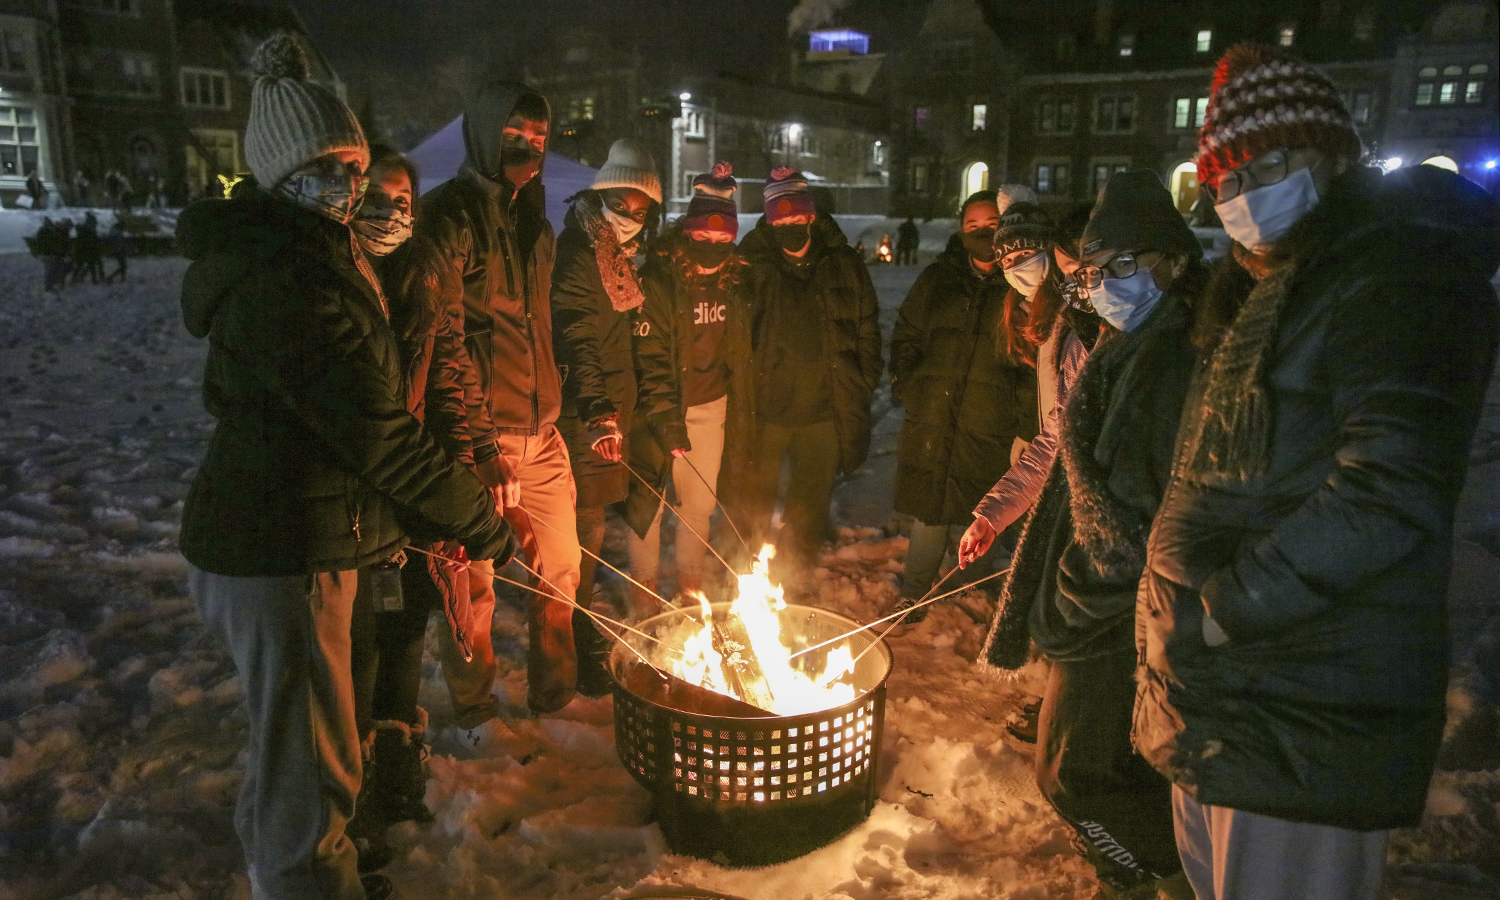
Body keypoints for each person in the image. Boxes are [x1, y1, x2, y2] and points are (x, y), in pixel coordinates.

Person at [1136, 44, 1500, 900]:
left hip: (1308, 700)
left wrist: (1225, 609)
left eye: (1265, 166)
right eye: (1221, 182)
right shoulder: (1272, 286)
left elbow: (1390, 487)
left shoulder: (1394, 271)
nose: (1239, 198)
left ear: (1333, 154)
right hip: (1233, 696)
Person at [174, 34, 514, 900]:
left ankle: (289, 868)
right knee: (312, 770)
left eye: (357, 167)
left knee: (296, 752)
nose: (352, 187)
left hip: (303, 533)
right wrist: (476, 518)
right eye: (330, 168)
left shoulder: (317, 253)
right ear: (282, 173)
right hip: (283, 550)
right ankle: (303, 882)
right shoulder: (288, 279)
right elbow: (375, 432)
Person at [979, 170, 1209, 900]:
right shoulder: (1121, 341)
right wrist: (997, 509)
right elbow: (1059, 444)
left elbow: (1136, 503)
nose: (1108, 282)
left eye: (1124, 265)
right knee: (1106, 765)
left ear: (1170, 260)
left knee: (1074, 775)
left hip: (1118, 609)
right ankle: (1131, 878)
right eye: (1098, 269)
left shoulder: (1170, 356)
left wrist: (1074, 599)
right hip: (1107, 603)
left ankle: (1164, 880)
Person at [420, 81, 585, 723]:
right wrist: (477, 445)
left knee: (563, 573)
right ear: (485, 134)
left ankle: (556, 696)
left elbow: (539, 327)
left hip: (543, 435)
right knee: (473, 585)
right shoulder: (449, 216)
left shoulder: (534, 222)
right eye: (513, 134)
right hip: (476, 439)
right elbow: (445, 338)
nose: (527, 148)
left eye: (539, 139)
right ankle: (473, 708)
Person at [342, 144, 478, 853]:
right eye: (379, 197)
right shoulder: (339, 275)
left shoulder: (423, 278)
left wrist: (468, 468)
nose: (392, 212)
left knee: (405, 634)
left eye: (403, 201)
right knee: (357, 648)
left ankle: (395, 769)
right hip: (357, 498)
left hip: (417, 489)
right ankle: (355, 797)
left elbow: (449, 376)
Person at [887, 190, 1038, 620]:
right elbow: (907, 333)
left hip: (989, 421)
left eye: (990, 225)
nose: (982, 234)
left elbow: (1032, 360)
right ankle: (915, 592)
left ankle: (972, 591)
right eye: (972, 227)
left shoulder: (1020, 285)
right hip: (934, 415)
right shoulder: (938, 278)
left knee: (984, 505)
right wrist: (908, 383)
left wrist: (1022, 418)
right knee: (930, 509)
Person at [550, 138, 661, 684]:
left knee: (593, 523)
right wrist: (598, 411)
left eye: (641, 211)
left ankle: (578, 617)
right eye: (621, 205)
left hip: (611, 408)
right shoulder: (579, 254)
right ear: (600, 195)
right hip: (585, 412)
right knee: (586, 525)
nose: (629, 218)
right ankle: (576, 627)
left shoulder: (618, 259)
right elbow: (577, 336)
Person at [738, 167, 882, 588]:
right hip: (767, 412)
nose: (789, 228)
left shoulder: (843, 264)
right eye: (779, 221)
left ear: (811, 217)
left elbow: (868, 330)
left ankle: (795, 576)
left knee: (809, 505)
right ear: (768, 222)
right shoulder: (751, 266)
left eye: (796, 219)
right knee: (753, 503)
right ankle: (747, 580)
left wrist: (860, 382)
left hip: (822, 413)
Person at [625, 162, 754, 614]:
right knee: (649, 507)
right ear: (687, 233)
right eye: (703, 239)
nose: (713, 248)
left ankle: (689, 587)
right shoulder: (659, 279)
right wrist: (665, 422)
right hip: (655, 411)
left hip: (710, 408)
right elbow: (650, 358)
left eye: (723, 241)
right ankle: (643, 594)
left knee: (699, 505)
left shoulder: (735, 280)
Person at [70, 211, 104, 284]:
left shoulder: (89, 231)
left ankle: (77, 280)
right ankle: (75, 280)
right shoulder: (86, 232)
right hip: (85, 252)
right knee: (84, 266)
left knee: (88, 267)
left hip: (88, 252)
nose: (95, 224)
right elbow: (83, 242)